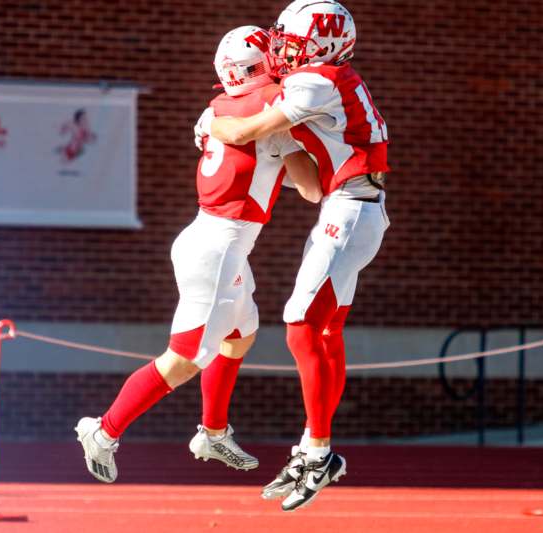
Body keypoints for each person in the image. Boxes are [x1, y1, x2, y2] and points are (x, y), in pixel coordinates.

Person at [75, 25, 321, 483]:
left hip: (213, 237)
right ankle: (103, 431)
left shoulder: (221, 108)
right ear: (258, 65)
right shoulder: (271, 108)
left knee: (241, 331)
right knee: (184, 359)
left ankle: (213, 430)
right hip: (219, 247)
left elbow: (258, 168)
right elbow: (309, 189)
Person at [195, 0, 390, 511]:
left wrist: (210, 118)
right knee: (326, 331)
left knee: (300, 324)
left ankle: (320, 452)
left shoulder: (317, 80)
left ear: (322, 45)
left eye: (293, 40)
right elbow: (305, 184)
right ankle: (312, 446)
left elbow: (238, 132)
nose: (283, 48)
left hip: (350, 211)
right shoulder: (324, 80)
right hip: (350, 206)